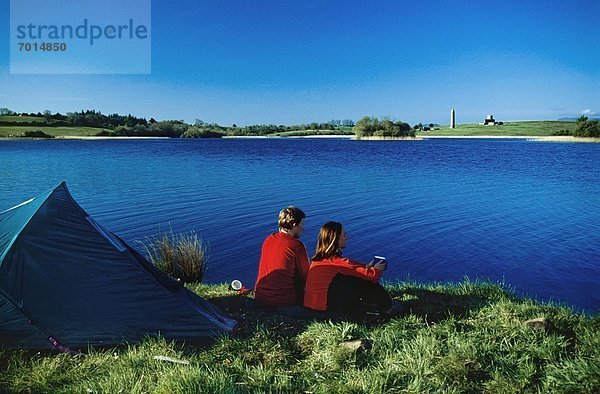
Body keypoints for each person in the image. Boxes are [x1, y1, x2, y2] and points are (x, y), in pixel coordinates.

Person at [303, 221, 400, 317]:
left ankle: (374, 304)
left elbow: (350, 266)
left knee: (352, 278)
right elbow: (372, 275)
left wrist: (366, 267)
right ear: (335, 239)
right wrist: (377, 269)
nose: (347, 238)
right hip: (326, 311)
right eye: (344, 235)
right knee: (363, 280)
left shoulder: (319, 260)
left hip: (313, 307)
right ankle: (388, 307)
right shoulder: (337, 262)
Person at [254, 206, 310, 310]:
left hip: (260, 296)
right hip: (283, 300)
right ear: (294, 225)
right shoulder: (297, 246)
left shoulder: (268, 239)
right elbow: (306, 277)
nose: (303, 228)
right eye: (302, 224)